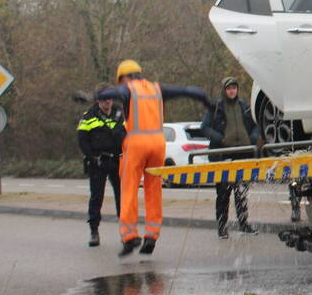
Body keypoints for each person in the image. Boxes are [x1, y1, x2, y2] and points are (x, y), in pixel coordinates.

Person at [97, 60, 211, 257]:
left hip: (136, 145)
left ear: (124, 77)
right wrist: (206, 100)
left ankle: (129, 236)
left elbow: (111, 94)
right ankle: (152, 235)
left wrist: (96, 95)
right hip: (159, 145)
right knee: (153, 189)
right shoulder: (157, 89)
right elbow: (187, 90)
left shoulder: (127, 90)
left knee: (129, 189)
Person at [202, 76, 260, 238]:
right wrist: (219, 138)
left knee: (241, 192)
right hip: (223, 155)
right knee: (223, 193)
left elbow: (255, 125)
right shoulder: (215, 107)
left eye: (234, 87)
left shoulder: (244, 106)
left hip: (242, 153)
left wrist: (253, 139)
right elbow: (204, 128)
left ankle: (244, 223)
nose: (232, 91)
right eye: (229, 88)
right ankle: (222, 227)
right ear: (224, 90)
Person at [76, 85, 125, 247]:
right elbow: (82, 141)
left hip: (117, 161)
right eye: (104, 99)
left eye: (110, 98)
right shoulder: (88, 116)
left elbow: (128, 135)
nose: (108, 102)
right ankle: (94, 231)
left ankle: (126, 232)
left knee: (123, 198)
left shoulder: (120, 113)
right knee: (97, 197)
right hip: (98, 162)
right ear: (98, 100)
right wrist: (93, 158)